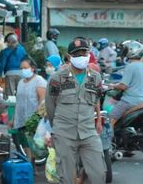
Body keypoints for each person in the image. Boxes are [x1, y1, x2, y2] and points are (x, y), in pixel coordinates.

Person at [45, 38, 105, 183]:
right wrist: (56, 130)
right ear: (70, 56)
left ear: (89, 54)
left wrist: (98, 121)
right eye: (77, 54)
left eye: (84, 52)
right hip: (64, 132)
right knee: (66, 177)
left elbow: (96, 99)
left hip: (88, 132)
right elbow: (50, 105)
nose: (81, 56)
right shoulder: (57, 78)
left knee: (99, 173)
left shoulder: (95, 78)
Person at [9, 59, 47, 170]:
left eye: (25, 68)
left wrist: (38, 116)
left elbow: (42, 100)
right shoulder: (21, 82)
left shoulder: (39, 81)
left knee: (33, 144)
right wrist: (13, 119)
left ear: (32, 68)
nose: (23, 70)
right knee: (25, 144)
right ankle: (30, 167)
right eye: (21, 68)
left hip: (34, 119)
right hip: (21, 118)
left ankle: (31, 167)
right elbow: (18, 101)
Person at [109, 40, 143, 124]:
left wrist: (112, 85)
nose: (124, 51)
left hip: (130, 101)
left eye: (126, 49)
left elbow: (123, 86)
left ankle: (107, 137)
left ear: (131, 51)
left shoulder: (131, 66)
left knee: (110, 120)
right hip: (142, 100)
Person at [0, 33, 27, 99]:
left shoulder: (5, 51)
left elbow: (2, 65)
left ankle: (10, 108)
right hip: (21, 73)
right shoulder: (22, 50)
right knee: (20, 93)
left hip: (9, 74)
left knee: (10, 95)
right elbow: (26, 61)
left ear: (8, 42)